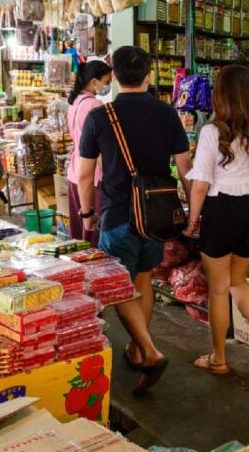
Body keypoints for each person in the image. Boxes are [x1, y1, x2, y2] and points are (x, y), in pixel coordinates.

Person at [77, 46, 192, 393]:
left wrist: (86, 214)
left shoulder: (100, 117)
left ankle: (150, 351)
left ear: (114, 77)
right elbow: (186, 169)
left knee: (116, 286)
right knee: (142, 281)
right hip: (157, 216)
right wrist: (191, 213)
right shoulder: (166, 114)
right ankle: (138, 350)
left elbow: (85, 175)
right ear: (148, 75)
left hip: (118, 214)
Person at [185, 65, 249, 375]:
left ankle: (218, 358)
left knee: (218, 289)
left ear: (220, 95)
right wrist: (247, 186)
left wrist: (192, 219)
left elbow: (200, 183)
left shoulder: (213, 132)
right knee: (239, 280)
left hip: (220, 207)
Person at [66, 60, 113, 247]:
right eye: (106, 81)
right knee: (93, 230)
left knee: (79, 231)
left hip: (74, 171)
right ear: (94, 81)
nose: (107, 86)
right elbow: (100, 147)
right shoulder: (94, 105)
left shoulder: (75, 102)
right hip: (92, 173)